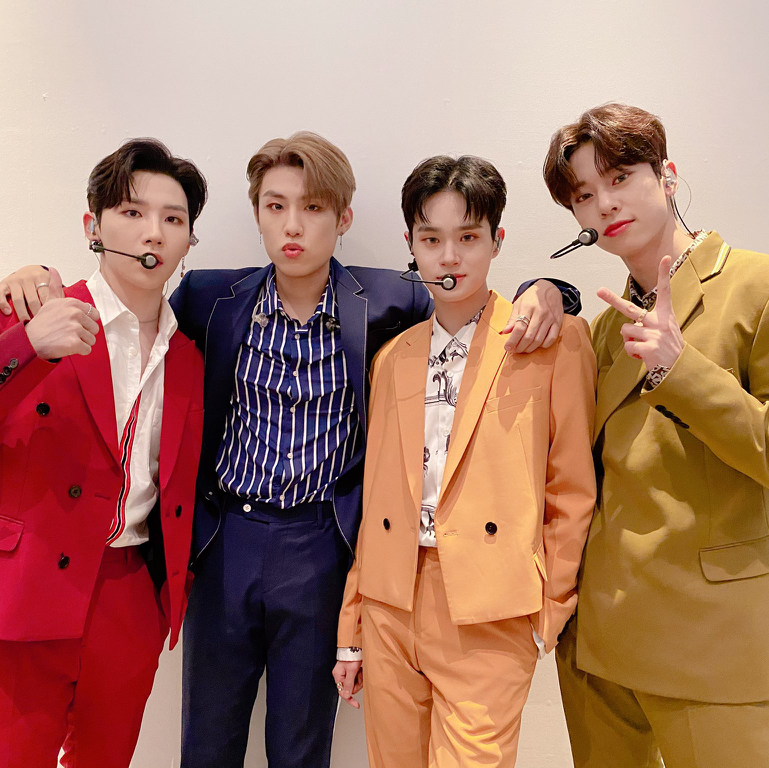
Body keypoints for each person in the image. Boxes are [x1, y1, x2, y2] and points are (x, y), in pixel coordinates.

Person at [1, 132, 577, 768]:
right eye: (276, 206)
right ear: (257, 214)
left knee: (302, 743)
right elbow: (124, 298)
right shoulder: (208, 299)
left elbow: (465, 299)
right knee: (207, 740)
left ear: (344, 218)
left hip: (319, 546)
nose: (293, 225)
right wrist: (35, 276)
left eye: (313, 207)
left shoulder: (390, 301)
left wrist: (550, 288)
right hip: (225, 541)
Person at [332, 154, 597, 768]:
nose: (449, 257)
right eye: (431, 239)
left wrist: (549, 608)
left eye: (468, 238)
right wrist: (353, 626)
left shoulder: (550, 339)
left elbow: (572, 486)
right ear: (411, 244)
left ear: (497, 241)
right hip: (392, 601)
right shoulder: (393, 357)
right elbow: (378, 498)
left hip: (491, 606)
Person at [544, 102, 769, 768]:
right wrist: (545, 288)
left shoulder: (754, 285)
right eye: (584, 195)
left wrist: (679, 368)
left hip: (712, 645)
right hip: (598, 647)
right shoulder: (605, 330)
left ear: (666, 175)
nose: (605, 203)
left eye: (619, 178)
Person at [0, 138, 207, 768]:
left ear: (189, 240)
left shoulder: (189, 355)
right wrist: (27, 345)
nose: (154, 232)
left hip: (129, 594)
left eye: (173, 219)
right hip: (28, 584)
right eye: (132, 212)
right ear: (93, 227)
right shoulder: (32, 311)